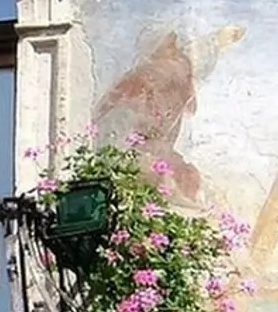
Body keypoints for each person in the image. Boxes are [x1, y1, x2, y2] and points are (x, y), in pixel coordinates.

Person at [95, 25, 244, 207]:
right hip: (136, 169)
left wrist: (217, 40)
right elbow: (113, 152)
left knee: (195, 185)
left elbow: (192, 59)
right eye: (170, 50)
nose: (177, 58)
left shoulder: (171, 76)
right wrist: (151, 168)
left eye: (176, 50)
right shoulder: (128, 99)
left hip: (160, 159)